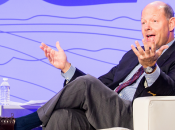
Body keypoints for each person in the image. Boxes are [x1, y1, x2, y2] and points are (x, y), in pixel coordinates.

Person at [1, 1, 175, 130]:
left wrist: (150, 68)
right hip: (107, 111)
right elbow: (97, 87)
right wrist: (67, 68)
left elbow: (171, 90)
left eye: (153, 21)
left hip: (134, 116)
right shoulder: (132, 55)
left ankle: (24, 124)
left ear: (171, 23)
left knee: (86, 83)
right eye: (143, 23)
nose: (147, 27)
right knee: (61, 117)